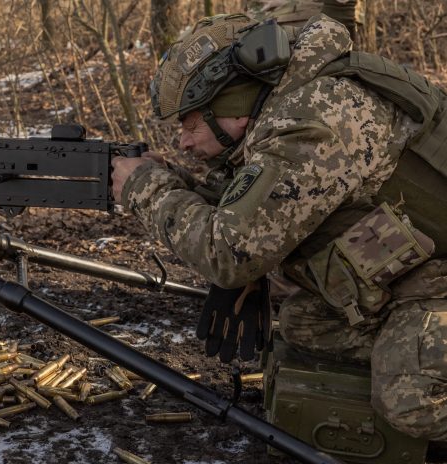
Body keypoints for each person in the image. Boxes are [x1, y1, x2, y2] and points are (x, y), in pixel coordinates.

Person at [111, 13, 447, 442]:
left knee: (411, 399)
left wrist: (145, 189)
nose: (184, 142)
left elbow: (229, 253)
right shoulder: (293, 104)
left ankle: (416, 372)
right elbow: (262, 203)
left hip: (437, 276)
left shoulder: (317, 120)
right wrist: (181, 185)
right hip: (423, 273)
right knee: (308, 323)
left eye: (191, 123)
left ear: (232, 107)